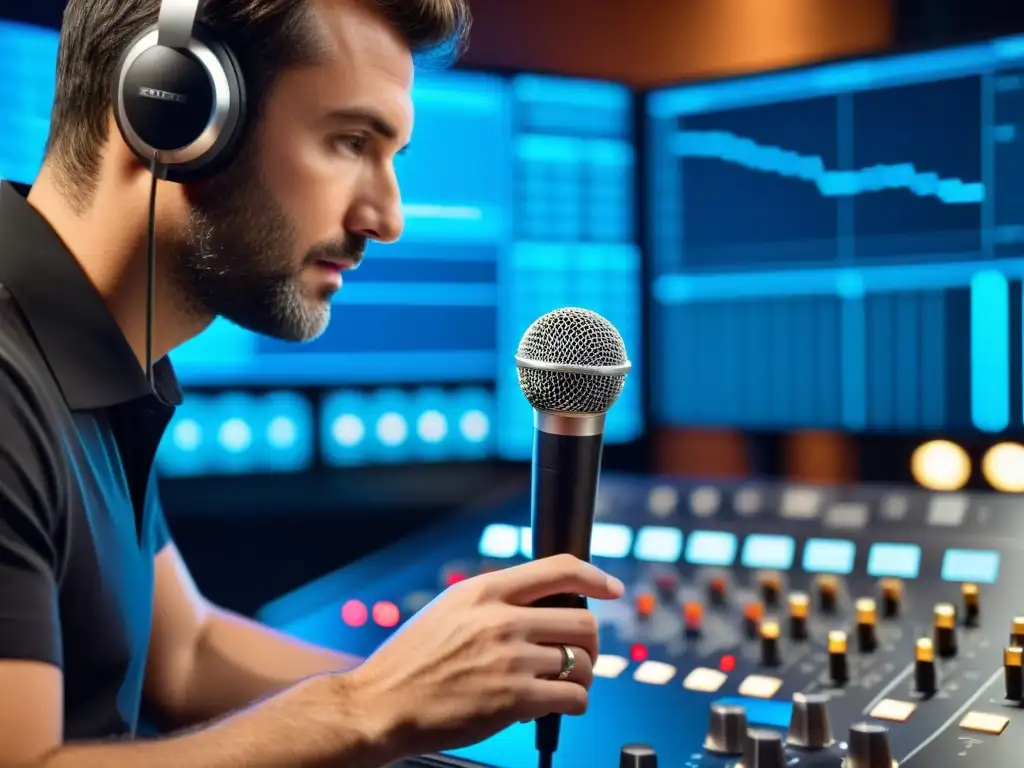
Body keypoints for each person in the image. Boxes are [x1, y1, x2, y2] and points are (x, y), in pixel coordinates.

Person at [0, 0, 626, 766]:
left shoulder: (100, 355)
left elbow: (185, 650)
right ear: (172, 109)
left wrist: (444, 684)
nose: (387, 216)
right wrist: (369, 706)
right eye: (349, 141)